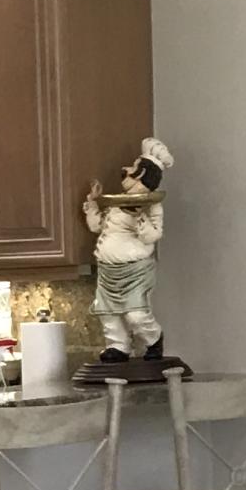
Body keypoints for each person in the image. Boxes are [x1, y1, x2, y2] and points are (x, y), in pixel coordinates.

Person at [84, 138, 175, 367]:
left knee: (135, 313)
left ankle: (153, 339)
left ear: (142, 174)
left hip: (134, 270)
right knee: (108, 312)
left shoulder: (152, 206)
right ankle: (117, 346)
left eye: (133, 168)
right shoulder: (116, 204)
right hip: (108, 270)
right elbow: (96, 226)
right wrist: (93, 204)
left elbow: (152, 235)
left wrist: (140, 217)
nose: (125, 170)